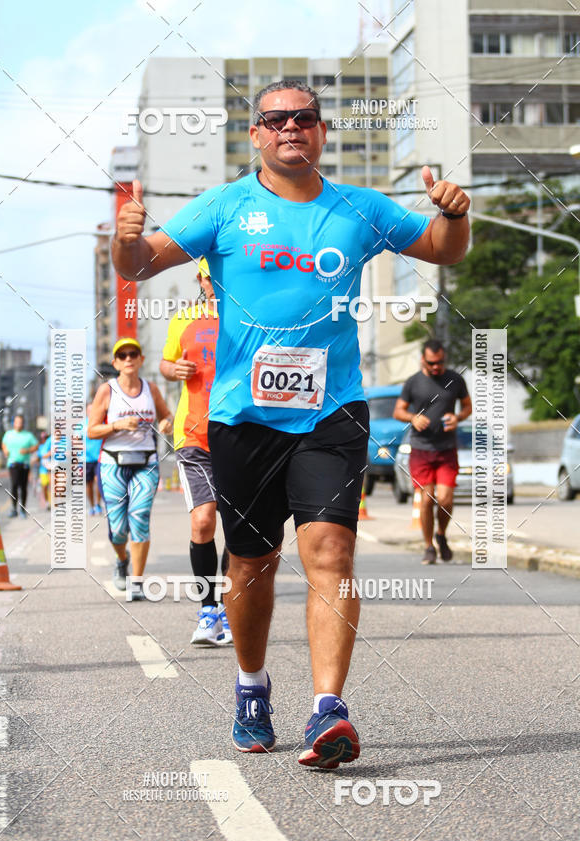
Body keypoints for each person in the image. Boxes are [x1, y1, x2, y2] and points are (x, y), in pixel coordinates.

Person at [112, 80, 470, 767]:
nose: (290, 129)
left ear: (322, 131)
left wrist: (453, 214)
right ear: (257, 136)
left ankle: (327, 710)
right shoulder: (224, 206)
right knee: (252, 563)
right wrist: (127, 243)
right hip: (243, 418)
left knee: (331, 554)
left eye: (303, 118)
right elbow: (142, 262)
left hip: (331, 413)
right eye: (275, 120)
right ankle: (251, 689)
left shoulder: (357, 210)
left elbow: (442, 249)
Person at [159, 256, 232, 646]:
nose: (214, 281)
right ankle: (208, 611)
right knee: (204, 521)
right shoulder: (183, 318)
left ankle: (230, 610)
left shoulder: (250, 315)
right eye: (209, 275)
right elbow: (166, 363)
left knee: (239, 532)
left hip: (241, 434)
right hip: (194, 435)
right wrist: (176, 371)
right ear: (202, 279)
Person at [87, 338, 173, 601]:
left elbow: (165, 415)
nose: (128, 358)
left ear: (141, 359)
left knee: (140, 517)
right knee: (118, 527)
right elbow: (91, 430)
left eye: (133, 353)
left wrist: (167, 423)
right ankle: (121, 559)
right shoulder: (107, 391)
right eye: (122, 355)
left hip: (145, 463)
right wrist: (118, 425)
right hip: (112, 463)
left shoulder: (151, 388)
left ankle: (136, 581)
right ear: (115, 362)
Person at [394, 339, 472, 564]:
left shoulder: (455, 380)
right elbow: (398, 411)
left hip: (447, 449)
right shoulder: (413, 382)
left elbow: (468, 407)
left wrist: (458, 417)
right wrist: (413, 418)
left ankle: (441, 535)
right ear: (423, 359)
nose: (436, 367)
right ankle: (429, 546)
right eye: (432, 363)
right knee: (427, 499)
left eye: (440, 362)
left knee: (445, 499)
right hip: (421, 449)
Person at [1, 415, 38, 518]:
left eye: (21, 422)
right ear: (14, 423)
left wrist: (27, 450)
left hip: (25, 464)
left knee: (23, 487)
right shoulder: (8, 434)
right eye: (17, 422)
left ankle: (23, 509)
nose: (19, 424)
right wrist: (5, 450)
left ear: (23, 423)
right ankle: (14, 509)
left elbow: (36, 446)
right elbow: (3, 444)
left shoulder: (28, 435)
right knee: (14, 485)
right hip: (13, 463)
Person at [84, 405, 104, 515]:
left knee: (99, 481)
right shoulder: (81, 425)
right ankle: (91, 505)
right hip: (86, 459)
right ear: (86, 411)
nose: (91, 412)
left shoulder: (101, 423)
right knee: (89, 484)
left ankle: (98, 504)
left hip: (100, 458)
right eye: (89, 410)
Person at [37, 431, 52, 509]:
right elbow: (40, 457)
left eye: (46, 438)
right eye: (43, 438)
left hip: (52, 470)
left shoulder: (51, 445)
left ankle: (52, 502)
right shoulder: (40, 447)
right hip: (43, 470)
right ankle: (47, 502)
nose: (45, 439)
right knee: (45, 486)